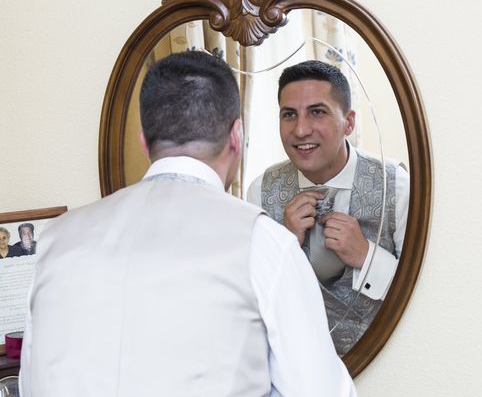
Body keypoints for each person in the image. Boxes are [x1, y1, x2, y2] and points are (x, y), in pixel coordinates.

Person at [20, 52, 356, 397]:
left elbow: (30, 382)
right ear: (237, 136)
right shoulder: (262, 243)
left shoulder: (56, 239)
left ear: (144, 140)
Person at [247, 60, 409, 355]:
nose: (300, 130)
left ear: (349, 122)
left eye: (317, 112)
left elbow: (423, 295)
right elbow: (254, 302)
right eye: (289, 115)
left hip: (386, 363)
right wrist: (284, 245)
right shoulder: (260, 190)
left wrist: (366, 255)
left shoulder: (397, 185)